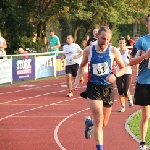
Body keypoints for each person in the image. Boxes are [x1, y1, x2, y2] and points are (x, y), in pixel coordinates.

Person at [73, 26, 125, 150]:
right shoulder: (88, 50)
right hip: (93, 87)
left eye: (107, 39)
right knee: (99, 119)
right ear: (97, 37)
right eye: (103, 39)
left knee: (104, 123)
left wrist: (115, 75)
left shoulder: (113, 51)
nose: (105, 42)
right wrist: (77, 78)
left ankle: (89, 123)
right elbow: (82, 66)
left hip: (108, 88)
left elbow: (123, 68)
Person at [129, 14, 150, 150]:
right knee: (146, 115)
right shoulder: (141, 41)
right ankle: (142, 143)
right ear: (147, 24)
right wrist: (145, 56)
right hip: (144, 82)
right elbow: (131, 61)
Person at [116, 37, 133, 112]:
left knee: (125, 91)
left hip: (127, 72)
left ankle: (129, 98)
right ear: (118, 44)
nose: (122, 45)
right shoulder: (116, 52)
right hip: (119, 72)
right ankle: (123, 106)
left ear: (125, 44)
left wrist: (129, 61)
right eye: (120, 43)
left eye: (123, 43)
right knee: (120, 90)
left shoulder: (128, 52)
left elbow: (132, 60)